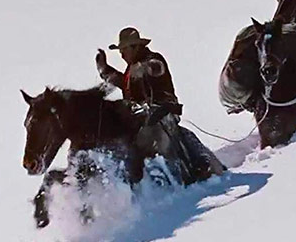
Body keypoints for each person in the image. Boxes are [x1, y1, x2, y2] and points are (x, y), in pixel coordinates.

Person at [95, 27, 224, 183]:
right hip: (140, 117)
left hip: (162, 114)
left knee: (158, 136)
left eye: (124, 49)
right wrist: (105, 70)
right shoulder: (132, 67)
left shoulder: (153, 60)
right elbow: (124, 83)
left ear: (136, 47)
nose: (121, 54)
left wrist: (146, 71)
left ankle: (194, 170)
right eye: (120, 50)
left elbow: (156, 70)